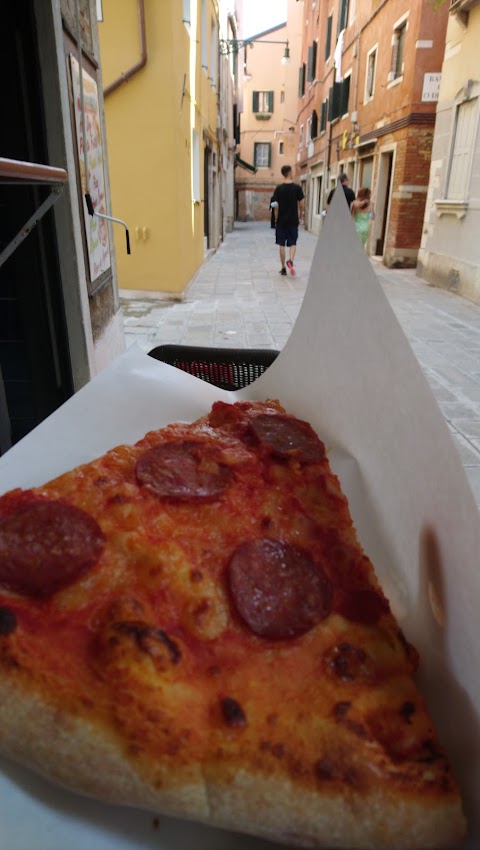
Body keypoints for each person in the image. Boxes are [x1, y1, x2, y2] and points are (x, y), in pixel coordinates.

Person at [271, 165, 304, 276]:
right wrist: (300, 216)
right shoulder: (297, 188)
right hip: (293, 220)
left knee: (281, 244)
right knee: (293, 242)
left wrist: (276, 219)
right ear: (289, 173)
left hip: (281, 221)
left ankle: (283, 267)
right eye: (292, 172)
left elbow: (275, 206)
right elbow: (301, 204)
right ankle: (290, 259)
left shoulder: (279, 189)